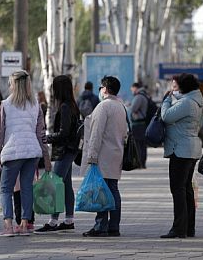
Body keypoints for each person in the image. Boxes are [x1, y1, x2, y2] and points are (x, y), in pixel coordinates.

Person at [0, 70, 51, 237]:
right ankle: (25, 225)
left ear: (14, 85)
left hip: (12, 152)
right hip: (32, 152)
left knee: (6, 189)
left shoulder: (5, 105)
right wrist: (46, 158)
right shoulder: (36, 105)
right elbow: (41, 134)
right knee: (27, 188)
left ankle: (8, 226)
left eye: (10, 83)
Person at [80, 76, 127, 237]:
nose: (100, 90)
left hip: (103, 155)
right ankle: (114, 226)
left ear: (105, 89)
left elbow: (96, 133)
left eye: (101, 87)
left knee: (101, 191)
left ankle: (101, 226)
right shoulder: (121, 106)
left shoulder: (103, 106)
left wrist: (91, 156)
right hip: (116, 153)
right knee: (113, 189)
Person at [160, 73, 203, 239]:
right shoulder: (196, 100)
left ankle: (179, 228)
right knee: (186, 190)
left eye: (176, 85)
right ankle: (188, 228)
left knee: (178, 189)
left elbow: (166, 116)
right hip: (189, 148)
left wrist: (165, 101)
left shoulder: (187, 102)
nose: (173, 88)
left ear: (183, 87)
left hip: (181, 150)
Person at [35, 75, 81, 234]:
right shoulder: (72, 105)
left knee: (55, 184)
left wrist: (47, 138)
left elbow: (64, 132)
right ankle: (69, 220)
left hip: (65, 150)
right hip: (70, 150)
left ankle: (53, 221)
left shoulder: (65, 107)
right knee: (66, 184)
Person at [130, 82, 149, 168]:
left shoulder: (139, 97)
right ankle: (142, 162)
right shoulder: (144, 95)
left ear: (135, 87)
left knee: (138, 144)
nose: (131, 90)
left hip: (138, 124)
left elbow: (133, 108)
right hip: (142, 123)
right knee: (142, 144)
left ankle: (139, 162)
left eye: (132, 88)